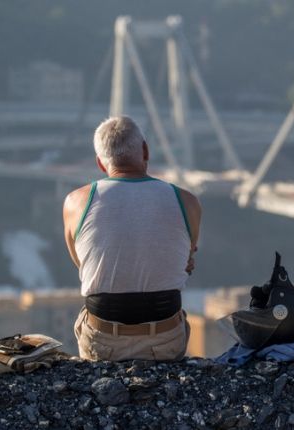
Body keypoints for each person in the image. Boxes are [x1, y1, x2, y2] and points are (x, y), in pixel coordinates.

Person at [62, 116, 201, 361]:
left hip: (103, 340)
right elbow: (186, 261)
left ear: (100, 163)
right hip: (165, 338)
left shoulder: (76, 202)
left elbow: (82, 263)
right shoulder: (187, 201)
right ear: (145, 150)